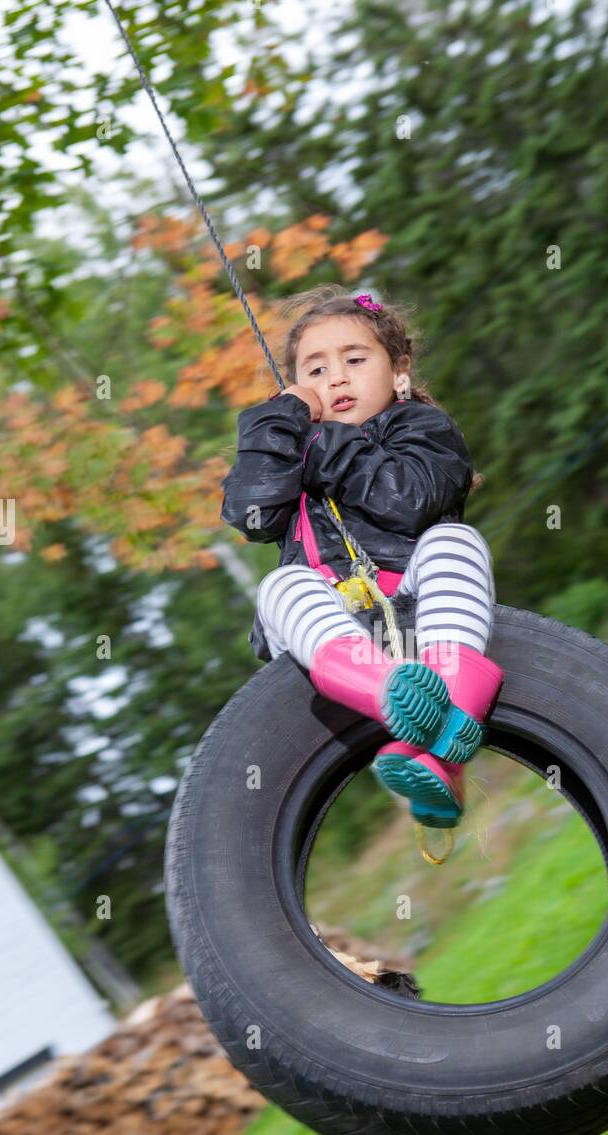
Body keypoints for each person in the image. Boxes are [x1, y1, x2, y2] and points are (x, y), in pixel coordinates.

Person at [220, 283, 504, 828]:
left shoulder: (423, 429)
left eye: (354, 359)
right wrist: (278, 424)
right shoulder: (290, 450)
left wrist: (320, 442)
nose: (337, 378)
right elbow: (249, 513)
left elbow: (408, 501)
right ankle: (393, 696)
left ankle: (439, 743)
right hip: (329, 631)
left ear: (399, 372)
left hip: (415, 600)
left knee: (456, 543)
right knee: (278, 586)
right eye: (316, 371)